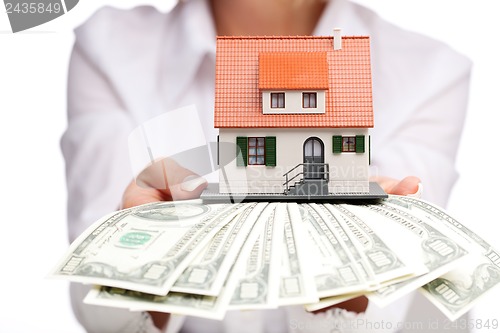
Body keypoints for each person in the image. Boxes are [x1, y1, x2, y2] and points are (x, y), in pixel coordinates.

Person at [60, 0, 472, 332]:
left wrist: (346, 281)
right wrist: (140, 268)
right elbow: (98, 306)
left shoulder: (431, 72)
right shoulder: (111, 49)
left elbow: (383, 314)